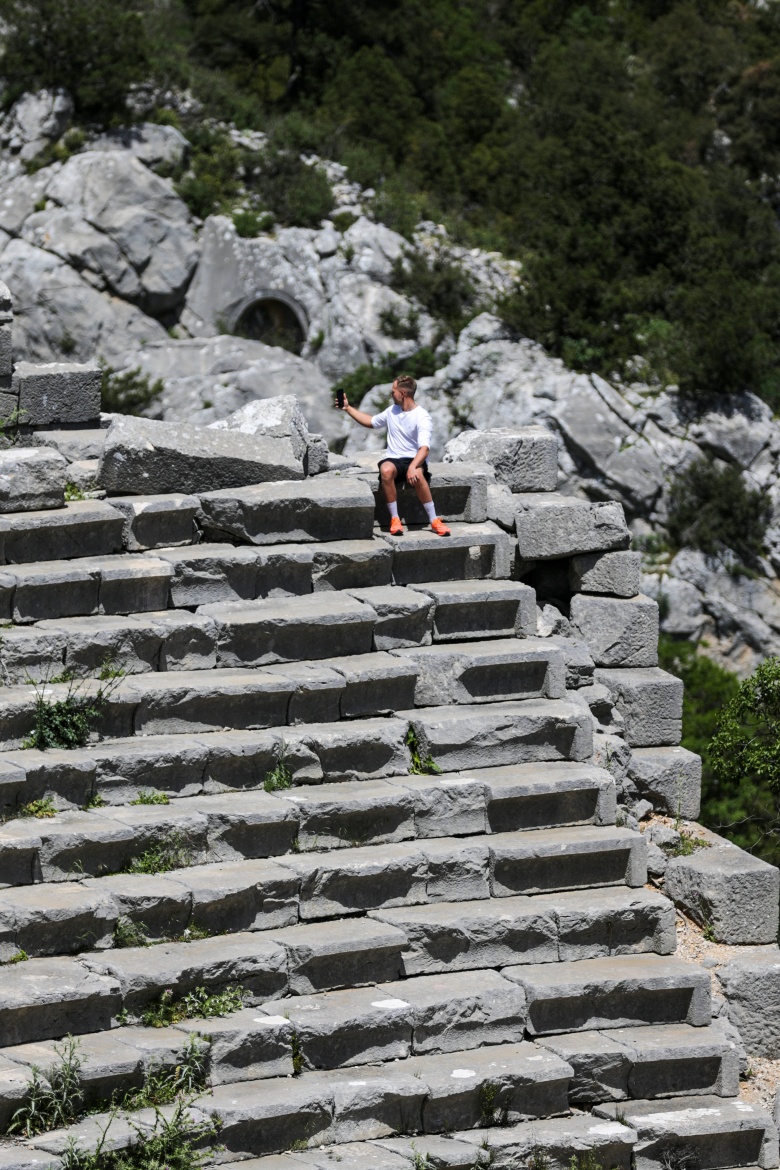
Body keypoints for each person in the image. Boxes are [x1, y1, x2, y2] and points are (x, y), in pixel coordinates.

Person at [337, 374, 451, 536]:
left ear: (402, 393)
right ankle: (395, 519)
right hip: (395, 459)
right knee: (386, 470)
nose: (391, 395)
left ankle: (434, 520)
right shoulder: (392, 411)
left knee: (418, 474)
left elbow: (424, 449)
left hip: (414, 458)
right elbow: (371, 422)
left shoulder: (422, 416)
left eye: (393, 391)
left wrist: (412, 466)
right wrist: (348, 408)